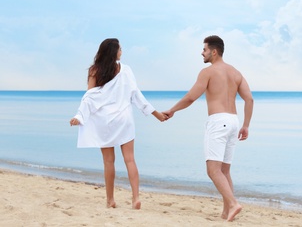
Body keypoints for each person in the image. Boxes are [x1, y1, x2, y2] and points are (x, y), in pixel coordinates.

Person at [163, 35, 254, 222]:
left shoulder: (208, 72)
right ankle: (226, 211)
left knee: (213, 170)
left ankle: (234, 203)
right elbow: (249, 99)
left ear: (214, 51)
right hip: (234, 121)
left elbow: (191, 97)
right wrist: (246, 125)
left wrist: (172, 110)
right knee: (225, 171)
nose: (201, 53)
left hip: (218, 121)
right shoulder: (236, 72)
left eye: (204, 49)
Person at [70, 38, 167, 209]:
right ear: (113, 51)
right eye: (120, 48)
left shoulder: (94, 70)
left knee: (109, 161)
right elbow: (136, 95)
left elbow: (89, 97)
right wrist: (156, 114)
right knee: (130, 159)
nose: (122, 51)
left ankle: (110, 200)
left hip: (104, 122)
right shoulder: (126, 70)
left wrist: (80, 116)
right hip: (124, 120)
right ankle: (135, 198)